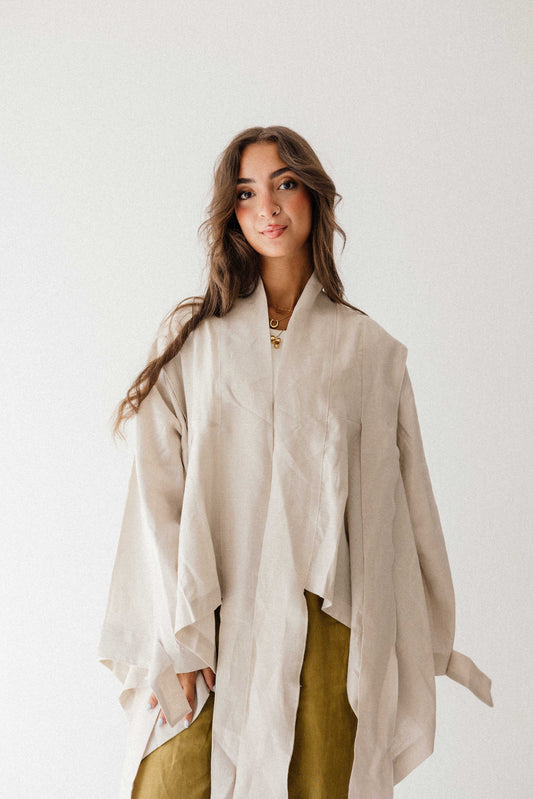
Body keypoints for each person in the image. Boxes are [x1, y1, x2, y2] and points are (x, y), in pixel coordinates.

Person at [98, 125, 493, 799]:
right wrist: (176, 637)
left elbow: (405, 506)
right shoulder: (198, 344)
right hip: (208, 617)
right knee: (175, 779)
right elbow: (156, 494)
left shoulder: (367, 351)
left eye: (284, 184)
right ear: (231, 213)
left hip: (324, 628)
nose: (268, 208)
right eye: (246, 193)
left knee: (320, 780)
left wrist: (412, 637)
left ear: (313, 195)